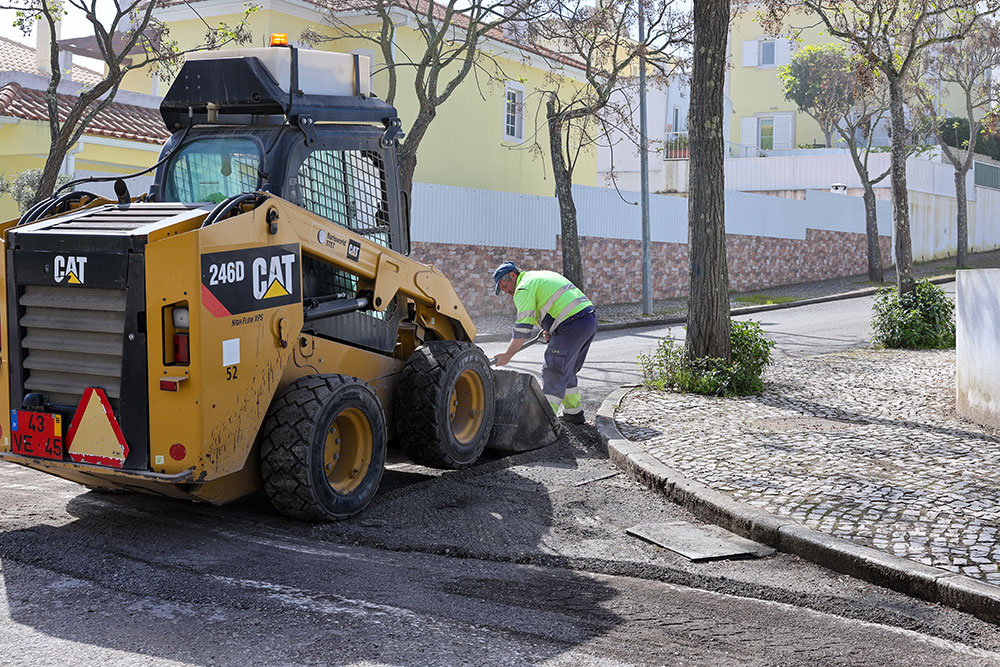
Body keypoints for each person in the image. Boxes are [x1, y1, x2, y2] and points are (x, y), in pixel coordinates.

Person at [492, 261, 597, 424]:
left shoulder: (523, 288)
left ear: (513, 275)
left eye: (505, 286)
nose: (506, 292)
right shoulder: (538, 276)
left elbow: (523, 328)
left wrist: (507, 355)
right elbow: (555, 301)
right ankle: (574, 413)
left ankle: (544, 421)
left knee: (553, 370)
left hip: (571, 325)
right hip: (588, 321)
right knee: (567, 369)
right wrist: (550, 328)